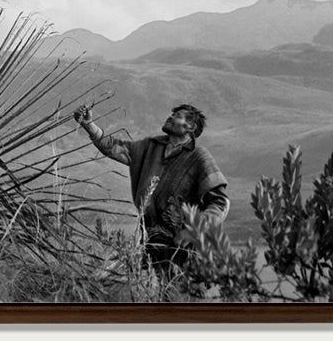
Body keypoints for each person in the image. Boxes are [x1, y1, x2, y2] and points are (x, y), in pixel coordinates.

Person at [74, 102, 229, 273]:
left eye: (177, 116)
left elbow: (220, 203)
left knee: (179, 297)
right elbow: (113, 147)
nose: (170, 117)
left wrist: (194, 230)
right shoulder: (150, 147)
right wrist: (88, 124)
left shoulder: (199, 157)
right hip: (150, 243)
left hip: (184, 249)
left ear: (190, 127)